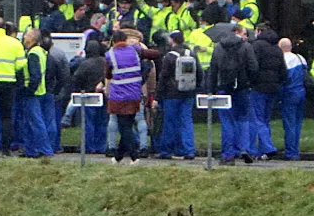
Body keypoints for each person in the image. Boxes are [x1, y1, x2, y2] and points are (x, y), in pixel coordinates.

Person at [207, 23, 257, 164]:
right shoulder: (246, 47)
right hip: (242, 86)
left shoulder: (218, 47)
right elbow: (253, 67)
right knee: (243, 118)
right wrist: (249, 82)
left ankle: (228, 154)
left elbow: (213, 70)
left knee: (226, 120)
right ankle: (244, 148)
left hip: (224, 86)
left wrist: (211, 89)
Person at [105, 29, 146, 165]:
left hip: (119, 96)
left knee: (124, 128)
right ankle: (118, 157)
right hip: (135, 94)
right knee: (127, 124)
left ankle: (135, 156)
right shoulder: (135, 51)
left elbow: (108, 74)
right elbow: (152, 55)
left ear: (113, 41)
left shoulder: (110, 54)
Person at [155, 31, 197, 160]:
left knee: (170, 122)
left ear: (172, 40)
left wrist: (158, 95)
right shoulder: (191, 54)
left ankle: (167, 150)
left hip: (171, 94)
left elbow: (163, 77)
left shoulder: (170, 56)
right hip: (188, 92)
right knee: (186, 121)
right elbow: (199, 73)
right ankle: (188, 150)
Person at [249, 23, 286, 160]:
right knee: (265, 119)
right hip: (273, 87)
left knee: (257, 118)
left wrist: (251, 81)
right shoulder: (277, 48)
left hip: (258, 87)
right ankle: (262, 152)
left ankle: (268, 147)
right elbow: (283, 70)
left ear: (259, 31)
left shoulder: (256, 46)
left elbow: (253, 66)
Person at [14, 28, 52, 158]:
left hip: (32, 93)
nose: (24, 37)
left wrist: (29, 90)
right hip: (39, 91)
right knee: (30, 122)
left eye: (26, 35)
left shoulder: (33, 54)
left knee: (35, 122)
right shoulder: (40, 51)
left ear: (33, 39)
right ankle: (31, 150)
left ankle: (44, 150)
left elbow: (35, 75)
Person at [0, 21, 25, 156]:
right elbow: (21, 64)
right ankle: (6, 149)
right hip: (9, 82)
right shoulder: (15, 43)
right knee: (7, 117)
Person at [73, 40, 107, 153]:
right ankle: (101, 146)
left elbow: (76, 78)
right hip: (103, 96)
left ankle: (89, 147)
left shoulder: (85, 64)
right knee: (102, 122)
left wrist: (79, 89)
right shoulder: (105, 62)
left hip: (88, 96)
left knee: (88, 122)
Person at [278, 37, 307, 161]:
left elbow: (284, 78)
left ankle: (291, 152)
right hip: (301, 92)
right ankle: (296, 149)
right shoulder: (300, 58)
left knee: (289, 124)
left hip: (289, 93)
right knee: (297, 123)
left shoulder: (283, 60)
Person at [43, 33, 71, 152]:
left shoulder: (46, 55)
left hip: (46, 91)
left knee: (45, 119)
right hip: (57, 91)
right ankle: (56, 145)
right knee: (55, 118)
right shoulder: (60, 53)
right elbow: (65, 73)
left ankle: (46, 145)